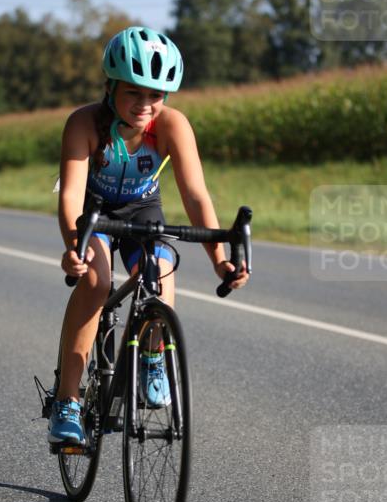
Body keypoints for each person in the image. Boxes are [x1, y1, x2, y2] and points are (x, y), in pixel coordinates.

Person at [49, 25, 249, 445]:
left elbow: (195, 195)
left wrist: (219, 260)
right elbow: (70, 196)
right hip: (95, 213)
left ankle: (153, 356)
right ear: (110, 87)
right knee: (96, 281)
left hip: (143, 212)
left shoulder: (172, 125)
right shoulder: (85, 123)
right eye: (133, 93)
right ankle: (67, 402)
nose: (145, 105)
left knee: (159, 279)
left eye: (155, 95)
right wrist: (74, 247)